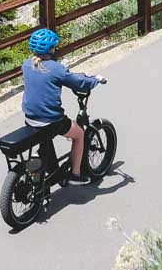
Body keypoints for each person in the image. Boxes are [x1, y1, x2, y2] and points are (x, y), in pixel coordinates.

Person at [21, 28, 104, 184]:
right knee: (79, 134)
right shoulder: (56, 68)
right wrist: (95, 80)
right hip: (51, 122)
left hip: (30, 119)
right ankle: (75, 175)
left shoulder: (26, 65)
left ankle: (47, 171)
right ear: (51, 49)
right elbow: (79, 83)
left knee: (45, 138)